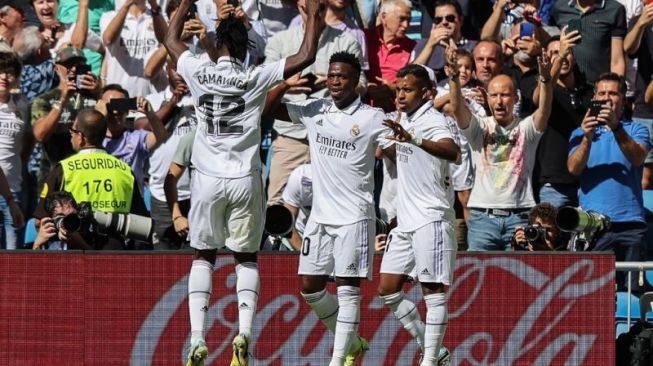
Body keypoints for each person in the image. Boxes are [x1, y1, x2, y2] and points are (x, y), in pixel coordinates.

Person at [163, 0, 326, 364]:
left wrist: (186, 3)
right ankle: (245, 336)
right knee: (246, 256)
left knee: (204, 255)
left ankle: (197, 339)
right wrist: (314, 13)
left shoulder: (198, 71)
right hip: (244, 179)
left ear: (218, 43)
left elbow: (171, 40)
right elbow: (306, 54)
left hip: (206, 180)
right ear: (244, 48)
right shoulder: (256, 76)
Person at [264, 51, 389, 366]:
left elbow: (398, 125)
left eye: (342, 76)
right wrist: (284, 84)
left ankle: (338, 359)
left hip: (354, 217)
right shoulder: (314, 109)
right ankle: (352, 342)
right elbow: (265, 110)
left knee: (348, 290)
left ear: (355, 81)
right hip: (320, 217)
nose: (335, 81)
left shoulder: (371, 118)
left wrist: (385, 93)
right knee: (310, 287)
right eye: (331, 75)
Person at [377, 64, 460, 366]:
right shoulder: (403, 119)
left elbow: (453, 153)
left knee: (432, 291)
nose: (400, 95)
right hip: (406, 219)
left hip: (431, 216)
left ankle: (428, 361)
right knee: (387, 288)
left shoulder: (434, 120)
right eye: (398, 89)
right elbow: (386, 152)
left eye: (408, 89)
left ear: (427, 93)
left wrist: (411, 139)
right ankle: (435, 351)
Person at [448, 45, 555, 251]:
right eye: (494, 95)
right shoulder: (479, 127)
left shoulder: (527, 128)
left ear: (515, 99)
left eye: (505, 95)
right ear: (487, 99)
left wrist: (545, 80)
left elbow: (545, 109)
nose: (499, 101)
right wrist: (453, 78)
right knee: (479, 278)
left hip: (520, 216)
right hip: (482, 217)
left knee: (519, 276)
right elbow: (457, 108)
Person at [264, 0, 366, 204]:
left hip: (332, 136)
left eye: (317, 7)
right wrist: (286, 85)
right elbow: (264, 86)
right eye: (305, 6)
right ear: (298, 5)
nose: (312, 11)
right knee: (278, 205)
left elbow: (362, 85)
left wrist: (334, 84)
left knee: (334, 201)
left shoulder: (346, 41)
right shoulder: (279, 41)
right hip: (290, 135)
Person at [567, 72, 651, 290]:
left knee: (632, 291)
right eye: (601, 93)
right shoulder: (579, 132)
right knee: (592, 293)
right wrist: (587, 137)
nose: (606, 98)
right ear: (594, 98)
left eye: (612, 93)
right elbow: (573, 168)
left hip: (630, 225)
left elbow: (638, 157)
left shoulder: (637, 129)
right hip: (593, 227)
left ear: (623, 99)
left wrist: (616, 128)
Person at [34, 109, 148, 250]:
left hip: (74, 248)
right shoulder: (124, 169)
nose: (71, 137)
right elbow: (141, 223)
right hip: (114, 251)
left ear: (81, 137)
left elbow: (40, 221)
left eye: (72, 132)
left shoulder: (63, 169)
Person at [138, 61, 196, 250]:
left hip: (196, 193)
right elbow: (142, 127)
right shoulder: (152, 100)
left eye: (183, 69)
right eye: (175, 69)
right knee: (163, 259)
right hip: (161, 195)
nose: (179, 74)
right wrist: (173, 103)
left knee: (195, 256)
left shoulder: (200, 101)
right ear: (167, 70)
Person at [31, 46, 100, 188]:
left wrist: (99, 93)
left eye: (79, 65)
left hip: (88, 178)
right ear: (57, 68)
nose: (74, 69)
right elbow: (40, 135)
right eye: (68, 65)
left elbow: (112, 129)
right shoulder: (45, 100)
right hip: (55, 177)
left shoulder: (95, 98)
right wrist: (62, 100)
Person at [534, 30, 588, 207]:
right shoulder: (547, 92)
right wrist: (561, 55)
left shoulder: (589, 92)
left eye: (566, 52)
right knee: (551, 234)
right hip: (554, 185)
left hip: (587, 183)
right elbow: (539, 96)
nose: (562, 57)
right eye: (555, 53)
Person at [97, 84, 167, 192]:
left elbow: (160, 137)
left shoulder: (136, 138)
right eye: (110, 108)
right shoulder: (93, 137)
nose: (115, 112)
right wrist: (99, 117)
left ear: (127, 110)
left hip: (131, 203)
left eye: (120, 107)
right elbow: (85, 145)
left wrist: (150, 113)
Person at [549, 0, 627, 86]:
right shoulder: (559, 7)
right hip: (567, 87)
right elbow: (550, 43)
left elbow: (617, 60)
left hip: (599, 88)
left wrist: (617, 88)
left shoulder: (614, 9)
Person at [365, 0, 415, 112]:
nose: (406, 25)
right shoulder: (365, 37)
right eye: (401, 19)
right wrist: (368, 87)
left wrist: (393, 88)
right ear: (384, 17)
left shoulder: (411, 47)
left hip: (394, 111)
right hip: (362, 107)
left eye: (409, 20)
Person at [412, 0, 477, 82]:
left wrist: (457, 54)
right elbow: (410, 76)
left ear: (461, 20)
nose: (444, 22)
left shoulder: (473, 47)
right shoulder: (423, 45)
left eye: (450, 18)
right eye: (438, 19)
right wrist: (430, 45)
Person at [624, 2, 653, 189]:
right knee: (644, 177)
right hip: (646, 109)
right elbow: (629, 48)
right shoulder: (639, 21)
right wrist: (641, 23)